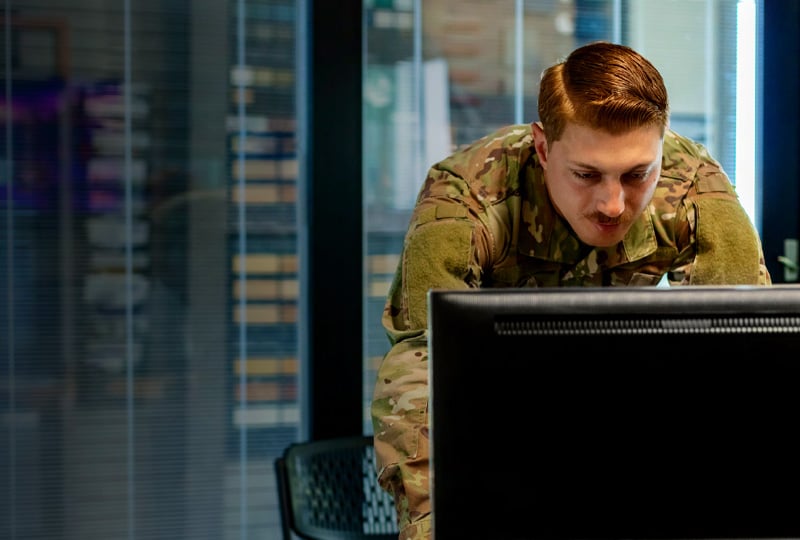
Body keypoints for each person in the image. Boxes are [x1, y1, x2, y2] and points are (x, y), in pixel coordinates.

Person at [370, 41, 771, 540]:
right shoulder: (467, 196)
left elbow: (746, 357)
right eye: (586, 175)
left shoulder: (696, 189)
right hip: (495, 422)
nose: (612, 204)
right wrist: (434, 523)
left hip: (632, 427)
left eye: (637, 174)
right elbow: (420, 368)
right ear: (543, 148)